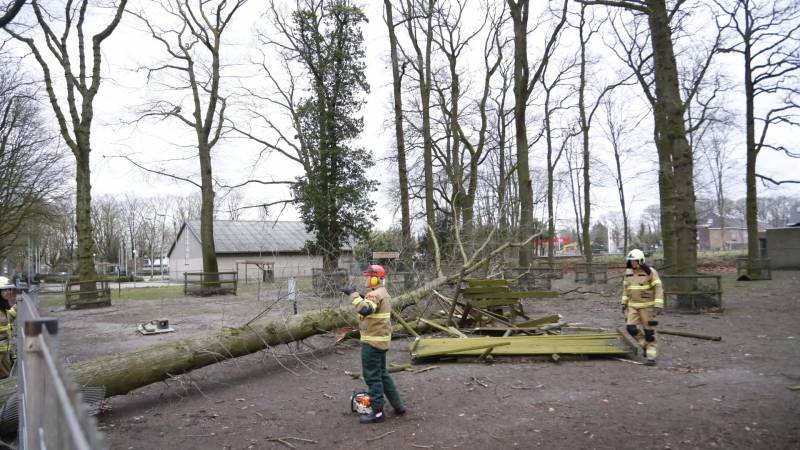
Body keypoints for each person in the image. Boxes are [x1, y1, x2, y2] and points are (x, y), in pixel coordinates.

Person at [342, 264, 405, 424]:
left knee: (372, 377)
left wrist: (353, 295)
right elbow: (371, 306)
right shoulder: (381, 292)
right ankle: (398, 406)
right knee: (383, 374)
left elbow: (365, 310)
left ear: (376, 278)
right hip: (380, 342)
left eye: (368, 276)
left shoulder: (375, 295)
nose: (366, 279)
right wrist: (360, 296)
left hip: (372, 343)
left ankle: (377, 412)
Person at [621, 249, 664, 366]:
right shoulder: (628, 272)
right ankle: (645, 345)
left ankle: (651, 357)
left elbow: (658, 288)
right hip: (633, 306)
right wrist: (623, 302)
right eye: (630, 261)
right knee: (631, 328)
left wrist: (658, 304)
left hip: (647, 307)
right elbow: (626, 289)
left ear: (640, 261)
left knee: (649, 332)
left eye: (634, 261)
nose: (632, 263)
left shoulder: (650, 272)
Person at [0, 276, 18, 379]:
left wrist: (15, 308)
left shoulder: (3, 307)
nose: (8, 292)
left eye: (9, 289)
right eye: (4, 290)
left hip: (5, 353)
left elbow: (5, 322)